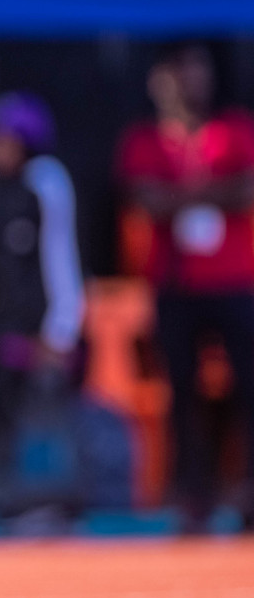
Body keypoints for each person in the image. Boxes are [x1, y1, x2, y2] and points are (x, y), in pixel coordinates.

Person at [116, 44, 254, 531]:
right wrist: (217, 190)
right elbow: (144, 200)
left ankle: (245, 492)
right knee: (179, 392)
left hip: (237, 282)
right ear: (161, 80)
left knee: (246, 387)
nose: (192, 82)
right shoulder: (144, 140)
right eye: (182, 72)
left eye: (200, 71)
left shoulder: (235, 129)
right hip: (175, 285)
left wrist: (181, 195)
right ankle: (192, 494)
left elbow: (248, 189)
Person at [0, 92, 86, 516]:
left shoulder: (46, 181)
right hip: (12, 327)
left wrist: (60, 331)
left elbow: (62, 257)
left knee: (49, 414)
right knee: (7, 413)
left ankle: (58, 500)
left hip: (46, 331)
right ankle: (14, 500)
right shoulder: (5, 192)